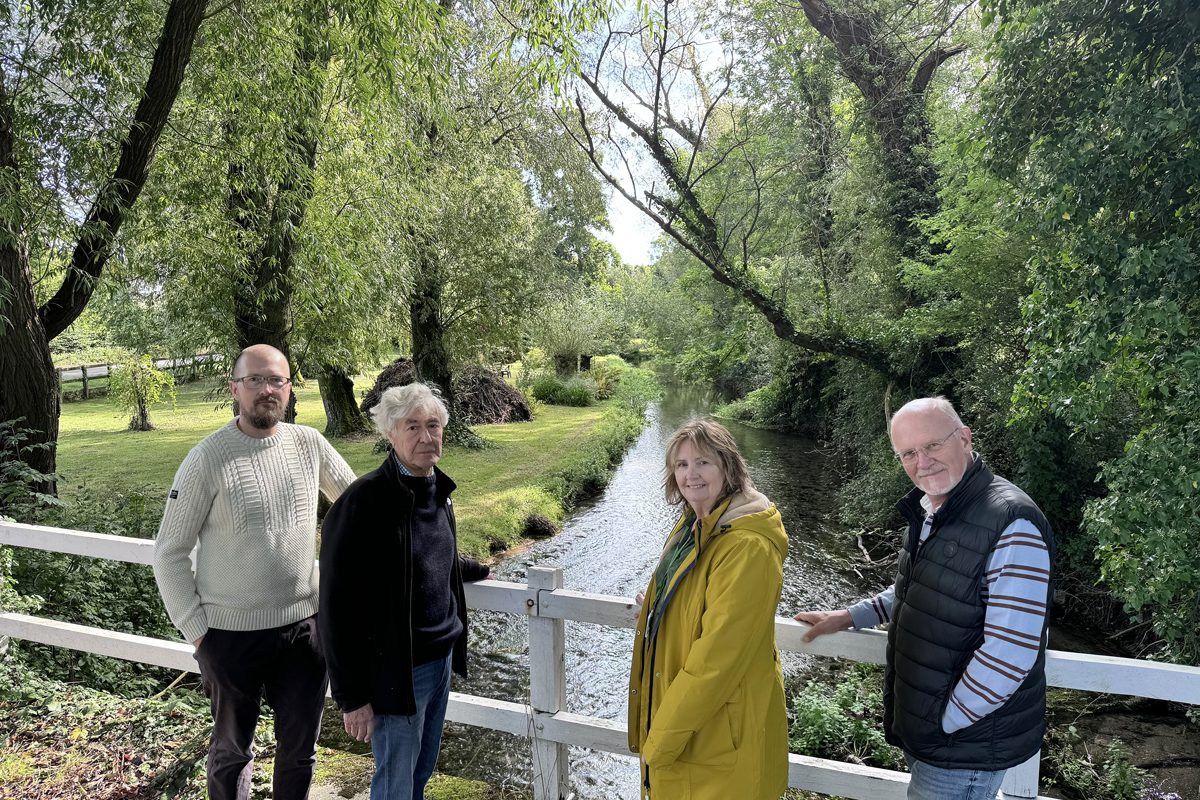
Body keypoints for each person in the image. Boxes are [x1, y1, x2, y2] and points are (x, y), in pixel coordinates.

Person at [795, 397, 1054, 800]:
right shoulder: (933, 508)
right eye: (909, 453)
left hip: (961, 748)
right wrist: (850, 616)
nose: (923, 462)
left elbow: (1010, 653)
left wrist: (944, 722)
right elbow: (919, 588)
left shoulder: (1011, 522)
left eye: (933, 445)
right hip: (932, 735)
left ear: (965, 439)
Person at [152, 344, 357, 800]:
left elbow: (361, 506)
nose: (267, 389)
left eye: (276, 380)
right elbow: (168, 552)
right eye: (255, 380)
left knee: (300, 751)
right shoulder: (207, 458)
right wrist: (198, 634)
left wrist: (421, 506)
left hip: (304, 632)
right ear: (235, 389)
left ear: (289, 388)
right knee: (231, 753)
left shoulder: (310, 444)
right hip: (228, 637)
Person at [318, 382, 490, 800]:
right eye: (412, 427)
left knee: (421, 771)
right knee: (396, 783)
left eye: (433, 425)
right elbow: (335, 605)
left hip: (441, 659)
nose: (426, 437)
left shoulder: (438, 491)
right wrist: (351, 698)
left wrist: (477, 569)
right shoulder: (363, 502)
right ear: (390, 434)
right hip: (398, 671)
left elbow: (429, 557)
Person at [629, 419, 789, 800]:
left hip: (722, 741)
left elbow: (717, 658)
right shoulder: (696, 523)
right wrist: (659, 607)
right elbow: (698, 601)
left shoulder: (747, 547)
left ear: (728, 467)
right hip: (694, 731)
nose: (691, 475)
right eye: (681, 464)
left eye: (703, 462)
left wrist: (659, 741)